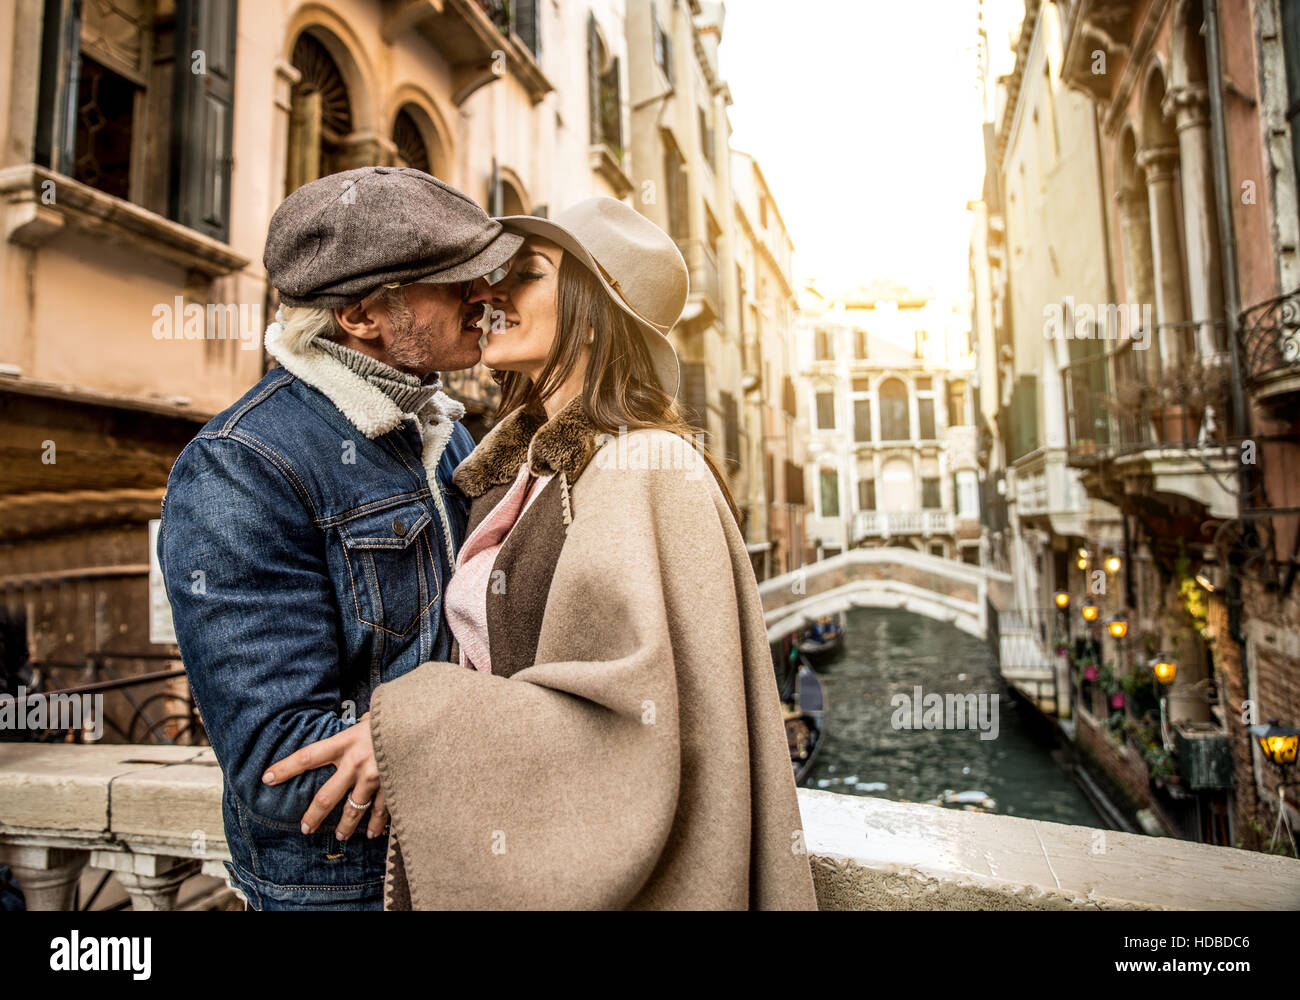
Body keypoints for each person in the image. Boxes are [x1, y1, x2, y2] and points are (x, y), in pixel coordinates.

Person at [265, 197, 818, 909]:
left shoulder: (649, 467)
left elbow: (628, 723)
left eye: (525, 274)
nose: (488, 294)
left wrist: (411, 729)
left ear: (597, 308)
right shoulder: (529, 473)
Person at [157, 166, 522, 910]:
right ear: (361, 316)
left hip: (462, 861)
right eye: (455, 282)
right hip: (345, 889)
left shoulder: (446, 437)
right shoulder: (240, 466)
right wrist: (484, 736)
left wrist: (422, 734)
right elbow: (281, 759)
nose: (485, 297)